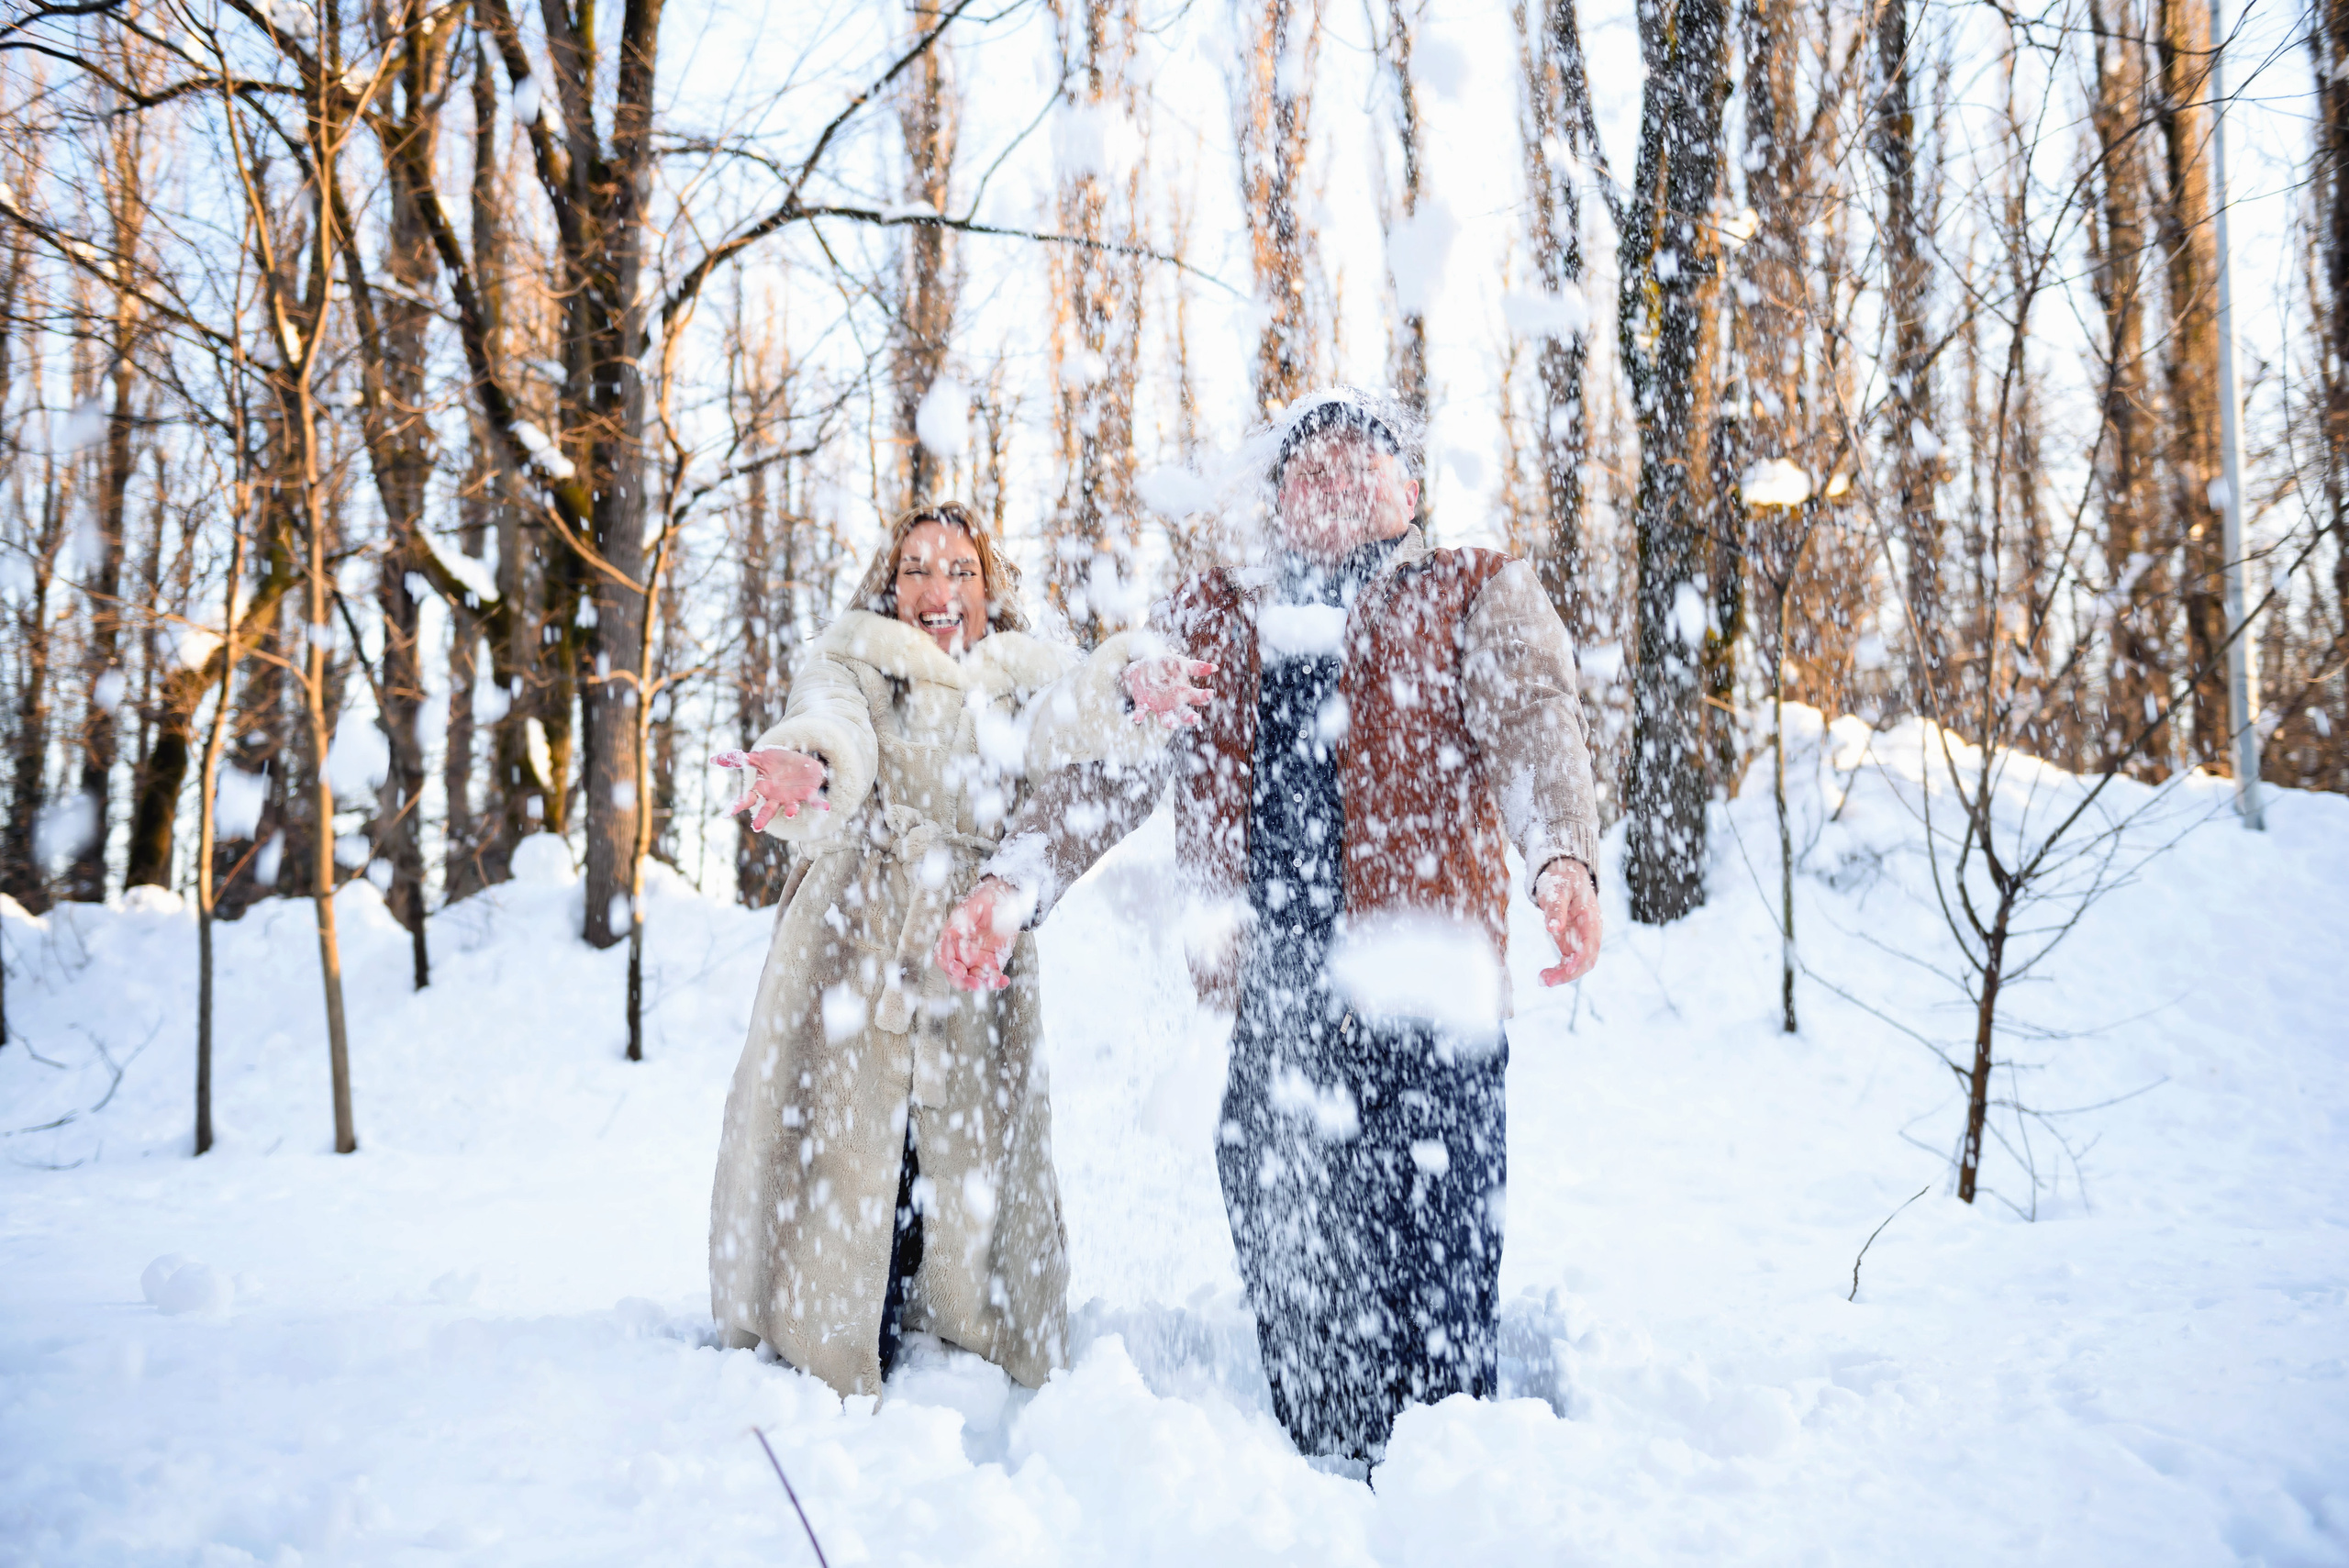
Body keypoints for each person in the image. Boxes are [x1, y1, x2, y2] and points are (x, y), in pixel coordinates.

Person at [935, 387, 1605, 1462]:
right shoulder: (1214, 619)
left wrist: (1561, 854)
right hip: (1275, 993)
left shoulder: (1469, 589)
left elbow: (1534, 723)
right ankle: (1321, 1482)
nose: (1334, 478)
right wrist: (1011, 885)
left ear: (1412, 490)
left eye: (1362, 462)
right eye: (1310, 467)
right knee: (1290, 1242)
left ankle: (1454, 1483)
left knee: (1432, 1256)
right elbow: (1112, 772)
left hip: (1423, 980)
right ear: (1279, 500)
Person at [707, 500, 1085, 1399]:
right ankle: (823, 1325)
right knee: (846, 1145)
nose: (938, 588)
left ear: (991, 587)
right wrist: (808, 761)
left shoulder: (1028, 684)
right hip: (854, 937)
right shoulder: (852, 659)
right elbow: (830, 723)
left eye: (961, 569)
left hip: (972, 947)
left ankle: (968, 1328)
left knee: (964, 1147)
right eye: (917, 566)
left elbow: (1079, 762)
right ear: (889, 584)